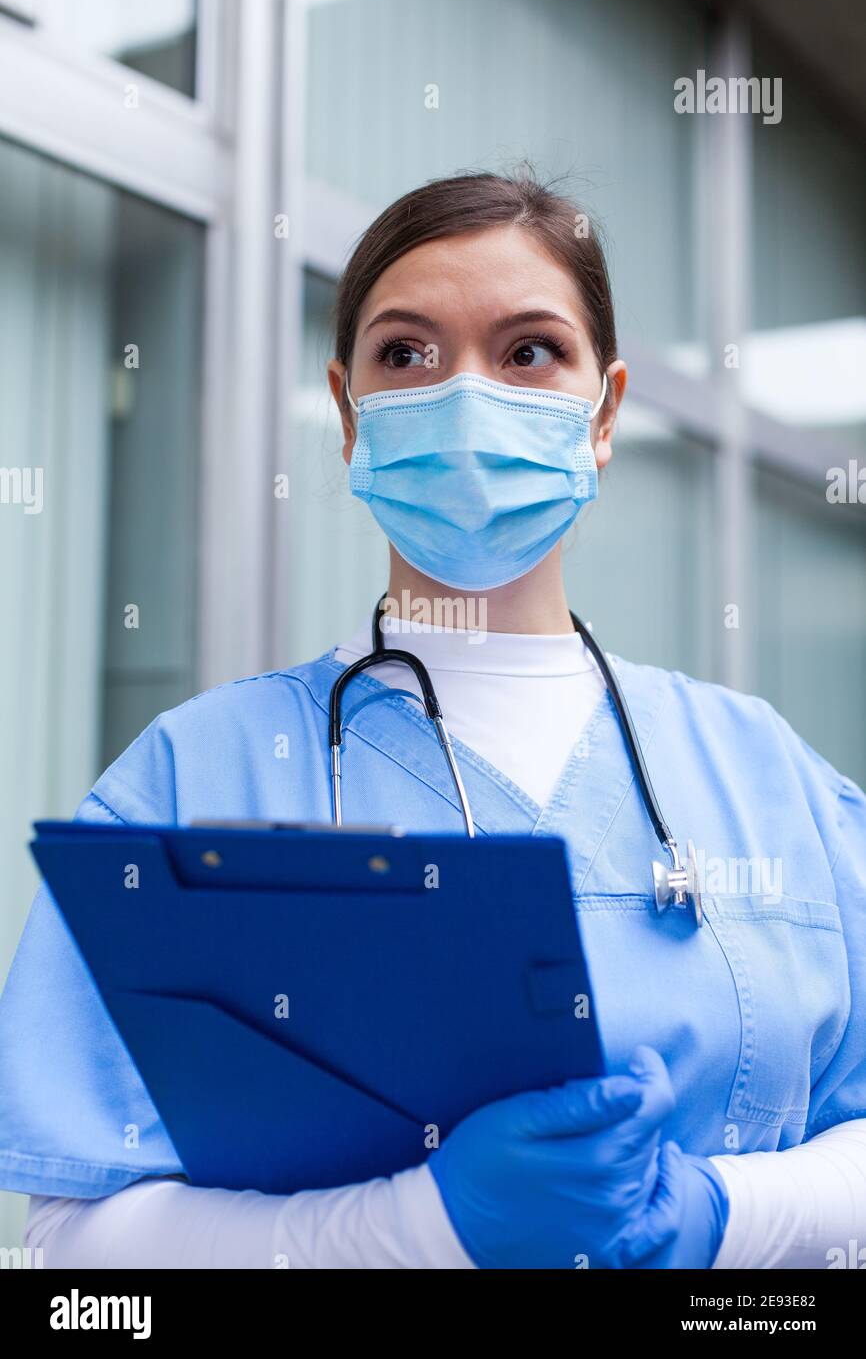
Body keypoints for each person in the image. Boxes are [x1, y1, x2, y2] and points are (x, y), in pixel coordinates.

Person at [3, 169, 865, 1270]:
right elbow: (71, 1254)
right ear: (348, 411)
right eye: (405, 353)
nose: (465, 397)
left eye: (526, 351)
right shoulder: (195, 775)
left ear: (602, 413)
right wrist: (421, 1229)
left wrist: (717, 1218)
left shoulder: (765, 777)